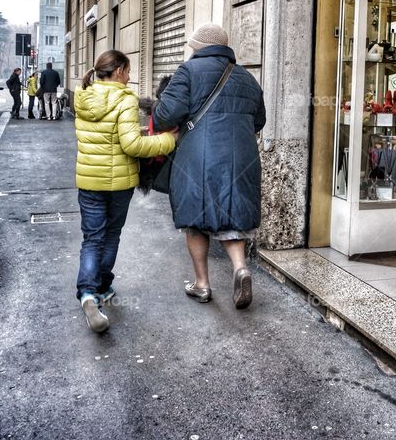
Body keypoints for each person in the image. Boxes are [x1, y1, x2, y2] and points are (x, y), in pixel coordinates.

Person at [153, 23, 266, 310]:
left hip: (198, 155)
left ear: (199, 47)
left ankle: (202, 284)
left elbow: (166, 115)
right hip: (242, 156)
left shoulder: (188, 72)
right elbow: (259, 121)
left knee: (196, 218)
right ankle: (240, 268)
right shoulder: (247, 78)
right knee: (231, 214)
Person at [74, 50, 176, 332]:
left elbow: (101, 139)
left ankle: (87, 294)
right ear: (118, 71)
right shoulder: (124, 99)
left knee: (92, 239)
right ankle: (103, 287)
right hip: (118, 184)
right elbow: (132, 145)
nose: (130, 77)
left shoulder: (83, 97)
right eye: (128, 71)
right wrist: (168, 140)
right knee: (111, 235)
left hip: (89, 181)